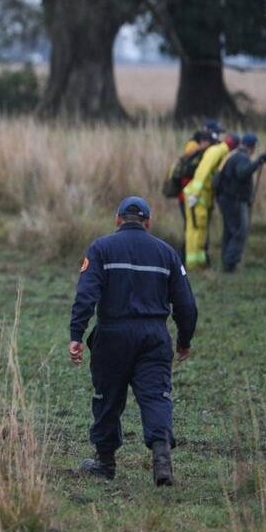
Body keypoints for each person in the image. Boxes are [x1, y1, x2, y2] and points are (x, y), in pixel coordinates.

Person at [69, 196, 198, 486]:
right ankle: (162, 460)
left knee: (108, 399)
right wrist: (184, 340)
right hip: (153, 337)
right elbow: (187, 304)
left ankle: (105, 463)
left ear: (117, 219)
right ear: (148, 223)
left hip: (112, 336)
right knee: (156, 396)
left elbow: (86, 295)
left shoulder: (101, 248)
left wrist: (76, 335)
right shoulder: (166, 253)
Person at [181, 125, 235, 269]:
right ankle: (193, 264)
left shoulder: (217, 151)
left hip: (200, 197)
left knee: (198, 230)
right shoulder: (218, 152)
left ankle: (198, 262)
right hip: (198, 198)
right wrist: (195, 195)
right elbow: (202, 173)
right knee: (196, 230)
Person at [215, 133, 266, 273]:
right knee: (239, 231)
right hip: (235, 201)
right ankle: (230, 263)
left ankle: (226, 262)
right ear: (252, 146)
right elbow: (242, 173)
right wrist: (258, 162)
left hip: (226, 199)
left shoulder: (232, 155)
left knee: (229, 231)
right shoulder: (241, 157)